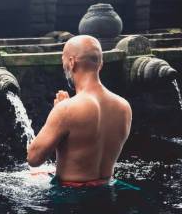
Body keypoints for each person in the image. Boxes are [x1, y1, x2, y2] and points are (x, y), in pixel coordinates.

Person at [26, 35, 132, 188]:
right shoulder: (124, 107)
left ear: (71, 62)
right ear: (100, 64)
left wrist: (57, 112)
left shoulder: (66, 109)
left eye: (63, 60)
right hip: (108, 190)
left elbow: (33, 159)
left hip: (71, 198)